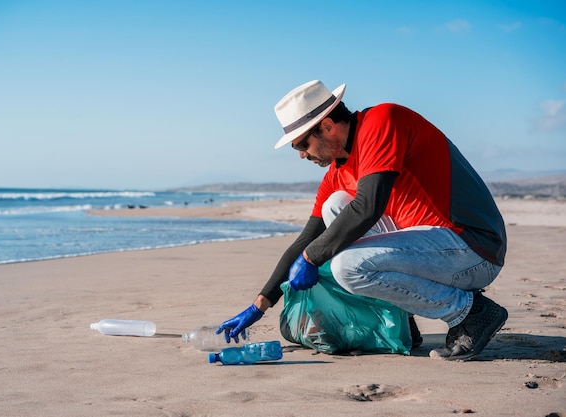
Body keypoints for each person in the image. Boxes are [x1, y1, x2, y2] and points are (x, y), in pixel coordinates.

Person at [217, 80, 508, 361]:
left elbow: (369, 207)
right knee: (336, 205)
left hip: (473, 248)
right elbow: (307, 239)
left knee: (349, 266)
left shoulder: (383, 120)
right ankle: (402, 323)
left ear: (327, 126)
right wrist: (260, 303)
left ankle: (470, 313)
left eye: (301, 145)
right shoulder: (337, 173)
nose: (302, 155)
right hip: (430, 247)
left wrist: (312, 258)